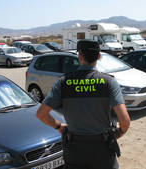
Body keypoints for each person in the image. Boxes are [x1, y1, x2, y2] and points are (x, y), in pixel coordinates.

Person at [36, 39, 130, 169]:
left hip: (75, 149)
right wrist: (119, 133)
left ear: (79, 56)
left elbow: (41, 114)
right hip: (102, 149)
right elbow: (125, 120)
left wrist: (58, 126)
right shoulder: (109, 82)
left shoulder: (63, 82)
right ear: (99, 56)